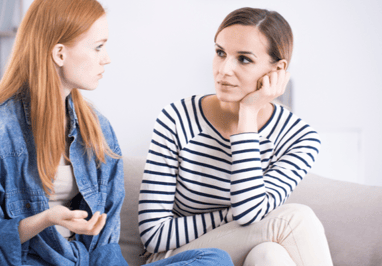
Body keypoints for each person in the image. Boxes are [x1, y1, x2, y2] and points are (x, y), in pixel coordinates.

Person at [0, 0, 234, 265]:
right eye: (98, 47)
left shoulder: (98, 129)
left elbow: (105, 242)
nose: (107, 59)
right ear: (60, 53)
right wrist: (46, 219)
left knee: (216, 260)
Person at [139, 7, 333, 266]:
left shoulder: (300, 138)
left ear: (277, 70)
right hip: (179, 257)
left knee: (269, 255)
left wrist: (247, 115)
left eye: (243, 59)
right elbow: (154, 236)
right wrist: (232, 216)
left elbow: (249, 212)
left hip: (243, 249)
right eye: (220, 53)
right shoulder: (176, 118)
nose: (224, 70)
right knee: (295, 219)